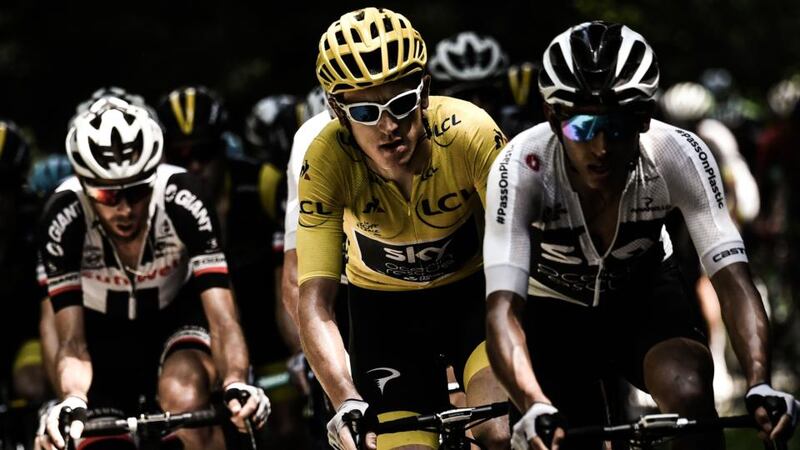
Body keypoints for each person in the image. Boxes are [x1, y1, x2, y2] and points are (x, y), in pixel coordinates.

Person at [483, 21, 798, 450]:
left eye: (618, 128)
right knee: (562, 434)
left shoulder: (677, 153)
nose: (601, 149)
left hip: (643, 299)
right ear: (552, 117)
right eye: (582, 128)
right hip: (551, 312)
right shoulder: (522, 166)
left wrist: (759, 381)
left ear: (645, 119)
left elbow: (733, 279)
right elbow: (503, 308)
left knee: (689, 394)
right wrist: (533, 401)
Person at [297, 7, 510, 450]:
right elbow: (315, 300)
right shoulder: (325, 161)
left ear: (425, 91)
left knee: (498, 430)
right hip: (384, 321)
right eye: (366, 111)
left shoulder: (470, 132)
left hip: (473, 302)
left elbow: (522, 249)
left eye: (400, 103)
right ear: (337, 109)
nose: (388, 126)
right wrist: (346, 400)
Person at [37, 97, 269, 450]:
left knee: (185, 393)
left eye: (137, 191)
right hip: (101, 337)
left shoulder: (184, 196)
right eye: (106, 194)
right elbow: (71, 340)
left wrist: (236, 381)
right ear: (83, 185)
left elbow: (223, 317)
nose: (125, 209)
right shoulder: (63, 214)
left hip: (173, 318)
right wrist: (70, 398)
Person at [156, 85, 303, 447]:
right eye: (179, 155)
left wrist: (302, 351)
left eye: (203, 152)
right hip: (203, 330)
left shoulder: (264, 183)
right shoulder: (159, 202)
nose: (193, 166)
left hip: (270, 326)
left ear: (224, 146)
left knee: (286, 431)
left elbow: (291, 271)